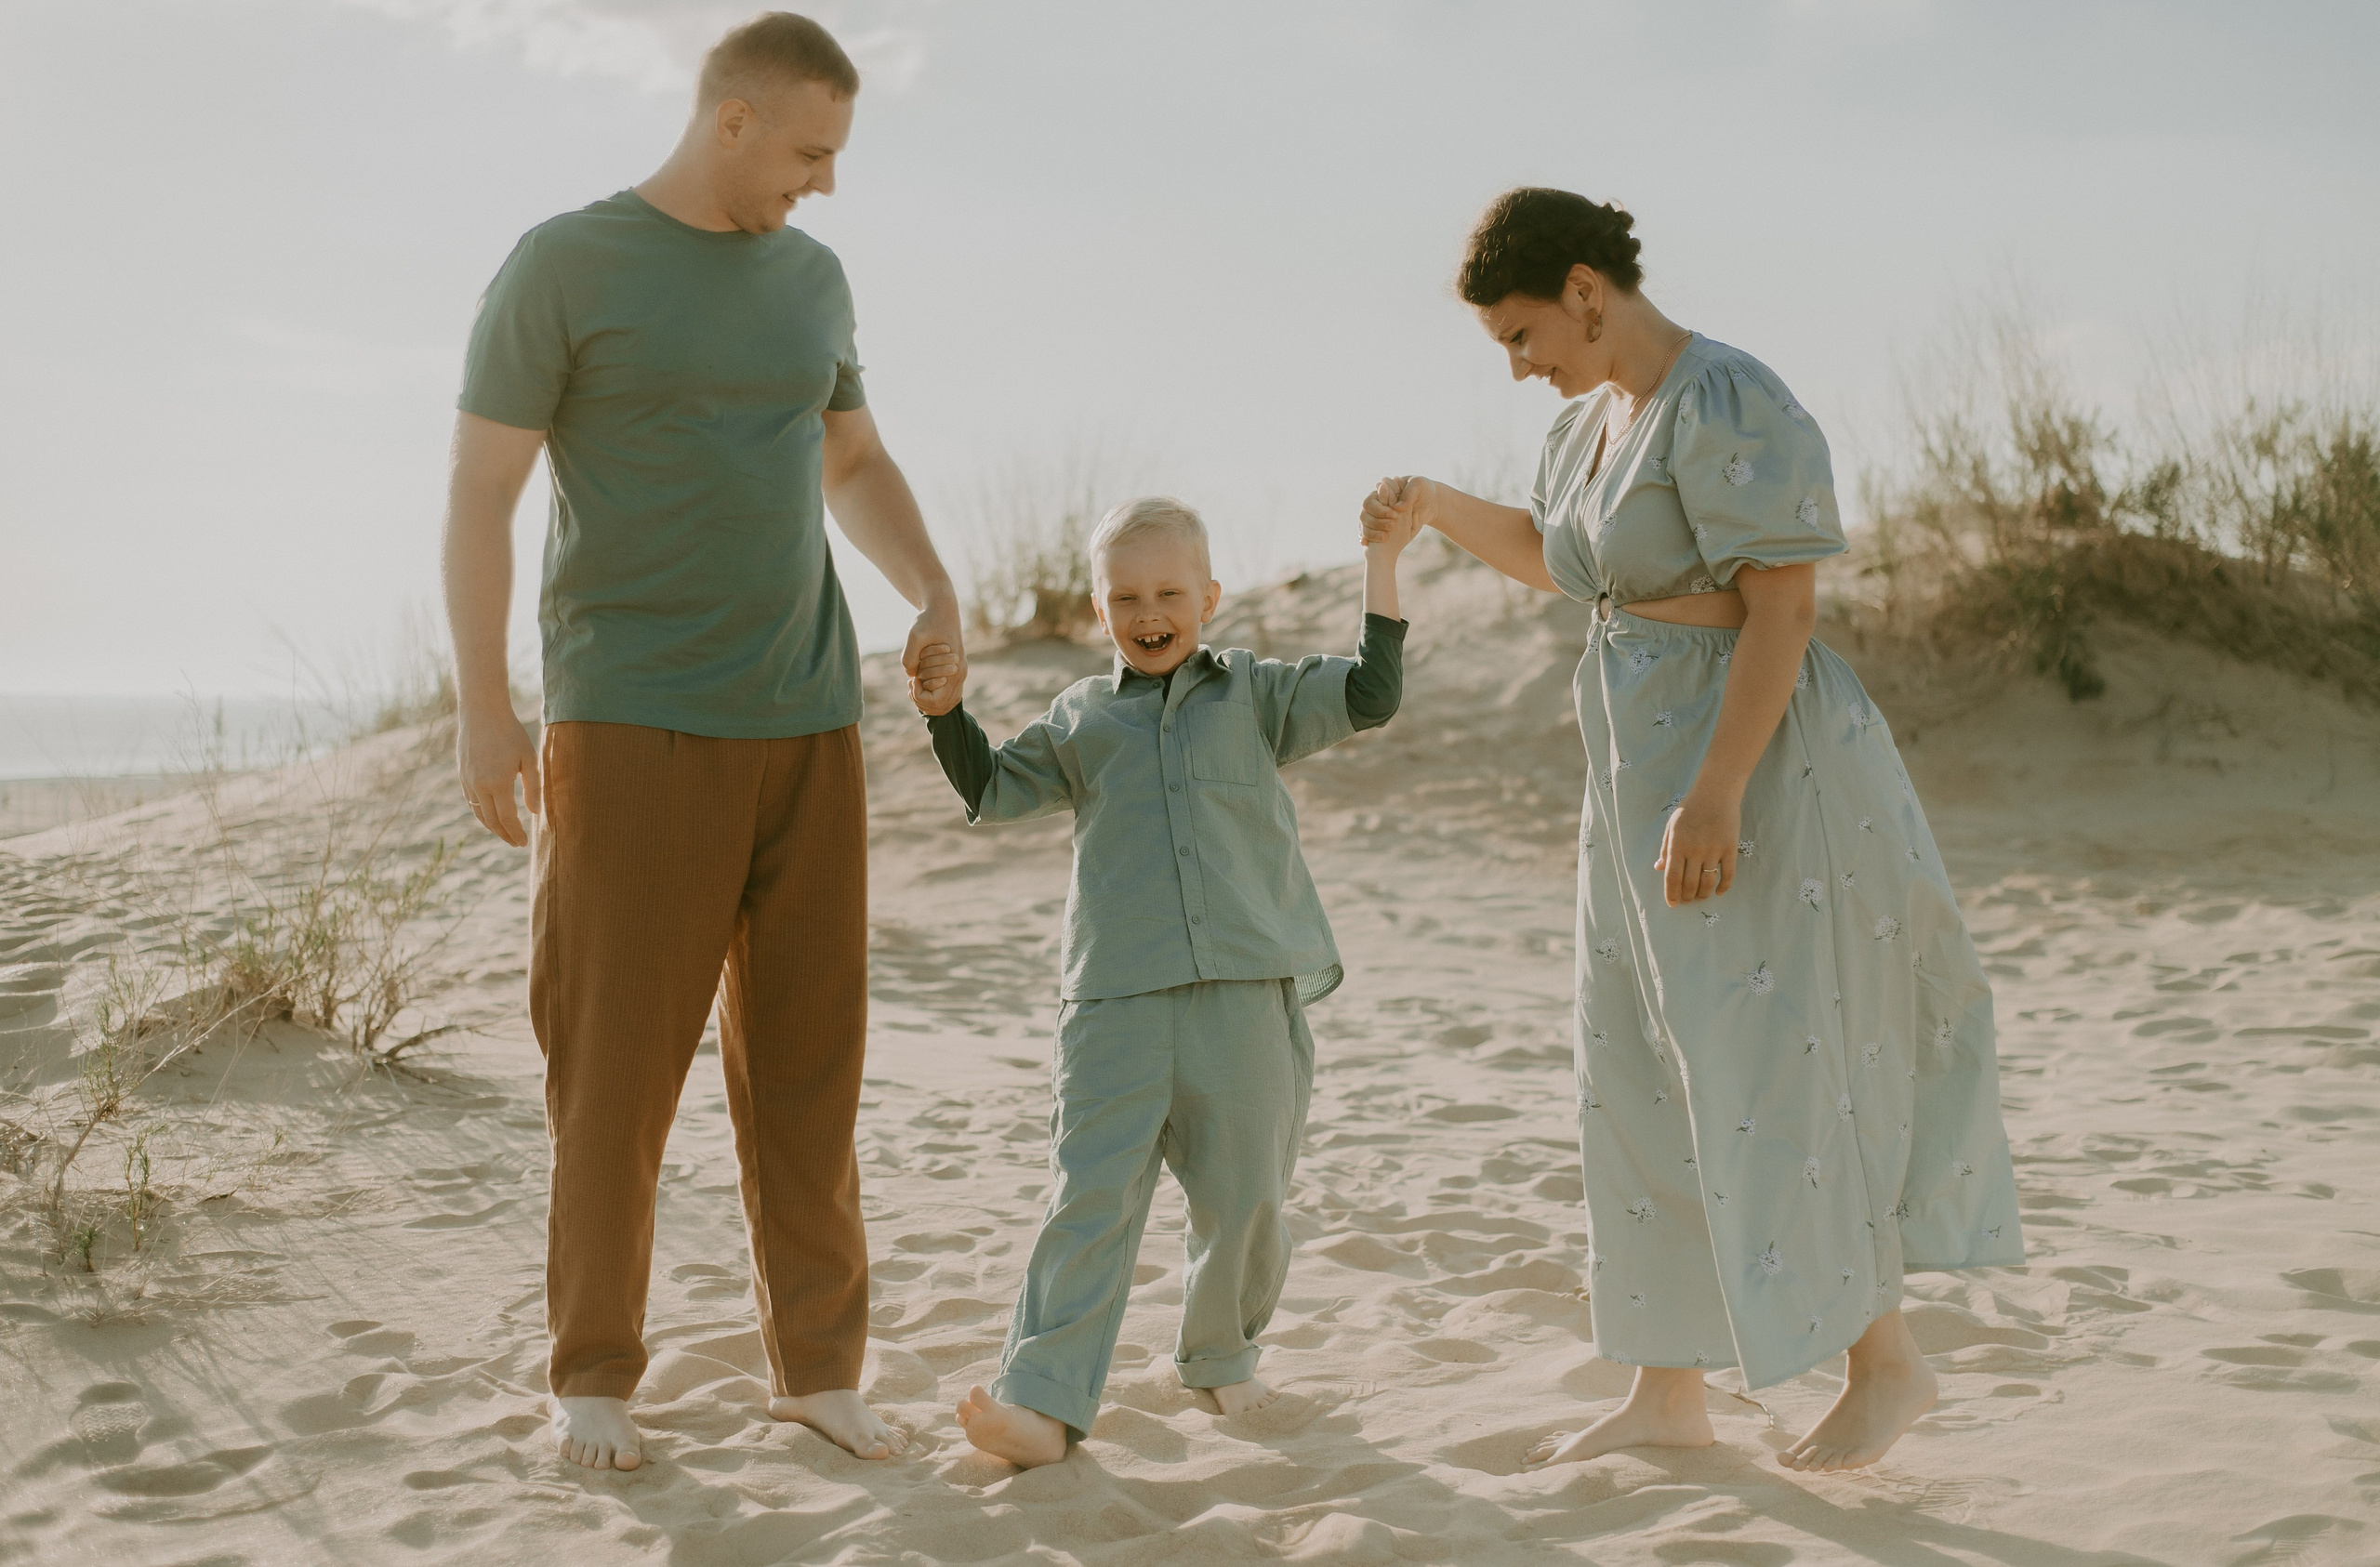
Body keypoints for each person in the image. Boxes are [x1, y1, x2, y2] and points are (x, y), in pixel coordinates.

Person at [1360, 188, 2023, 1474]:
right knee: (1638, 1063)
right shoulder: (1585, 429)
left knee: (1773, 1062)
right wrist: (1437, 503)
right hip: (1630, 780)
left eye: (1523, 331)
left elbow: (1781, 609)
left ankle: (1887, 1363)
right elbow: (1571, 566)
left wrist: (1716, 790)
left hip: (1752, 771)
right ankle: (1668, 1387)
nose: (1518, 362)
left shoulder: (1728, 398)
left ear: (1588, 289)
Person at [442, 12, 963, 1472]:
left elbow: (850, 455)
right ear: (731, 117)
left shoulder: (815, 279)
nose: (827, 183)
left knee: (811, 1064)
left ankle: (815, 1367)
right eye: (810, 150)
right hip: (629, 718)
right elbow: (482, 490)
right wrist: (487, 703)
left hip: (808, 719)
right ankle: (594, 1374)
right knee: (613, 1066)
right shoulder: (564, 264)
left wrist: (931, 583)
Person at [905, 496, 1412, 1468]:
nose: (1149, 611)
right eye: (1126, 596)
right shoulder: (1080, 719)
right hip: (1115, 1004)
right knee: (1087, 1198)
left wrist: (1380, 560)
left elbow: (1372, 695)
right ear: (1100, 611)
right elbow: (990, 787)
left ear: (1209, 598)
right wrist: (944, 714)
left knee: (1248, 1195)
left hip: (1245, 992)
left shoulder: (1257, 695)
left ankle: (1221, 1358)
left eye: (1169, 592)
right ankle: (1042, 1402)